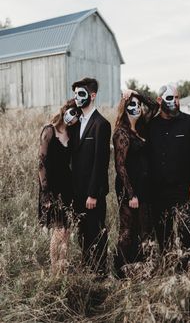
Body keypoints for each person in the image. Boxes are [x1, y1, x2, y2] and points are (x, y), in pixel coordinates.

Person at [148, 85, 190, 272]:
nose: (175, 101)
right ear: (159, 100)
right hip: (157, 191)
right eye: (169, 98)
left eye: (177, 97)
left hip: (183, 189)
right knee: (163, 233)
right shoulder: (151, 125)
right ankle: (169, 269)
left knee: (186, 231)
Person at [113, 90, 159, 278]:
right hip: (128, 188)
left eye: (138, 104)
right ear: (124, 109)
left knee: (144, 228)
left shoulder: (142, 127)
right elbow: (120, 166)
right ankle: (121, 271)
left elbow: (155, 106)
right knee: (127, 230)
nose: (136, 107)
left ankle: (139, 269)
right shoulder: (121, 133)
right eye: (131, 104)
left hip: (145, 186)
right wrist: (131, 194)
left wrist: (136, 93)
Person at [70, 77, 111, 274]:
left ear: (92, 95)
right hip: (76, 191)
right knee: (82, 234)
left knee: (97, 233)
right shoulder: (75, 123)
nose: (77, 97)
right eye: (75, 94)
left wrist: (93, 194)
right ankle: (87, 270)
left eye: (81, 93)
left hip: (92, 193)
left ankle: (100, 273)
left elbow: (100, 162)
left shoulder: (101, 124)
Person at [38, 100, 79, 274]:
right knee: (58, 230)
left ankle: (63, 266)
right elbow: (41, 163)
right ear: (64, 110)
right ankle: (54, 268)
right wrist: (45, 193)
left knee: (67, 230)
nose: (73, 116)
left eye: (77, 114)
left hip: (67, 186)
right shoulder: (49, 130)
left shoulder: (71, 133)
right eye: (71, 111)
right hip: (52, 187)